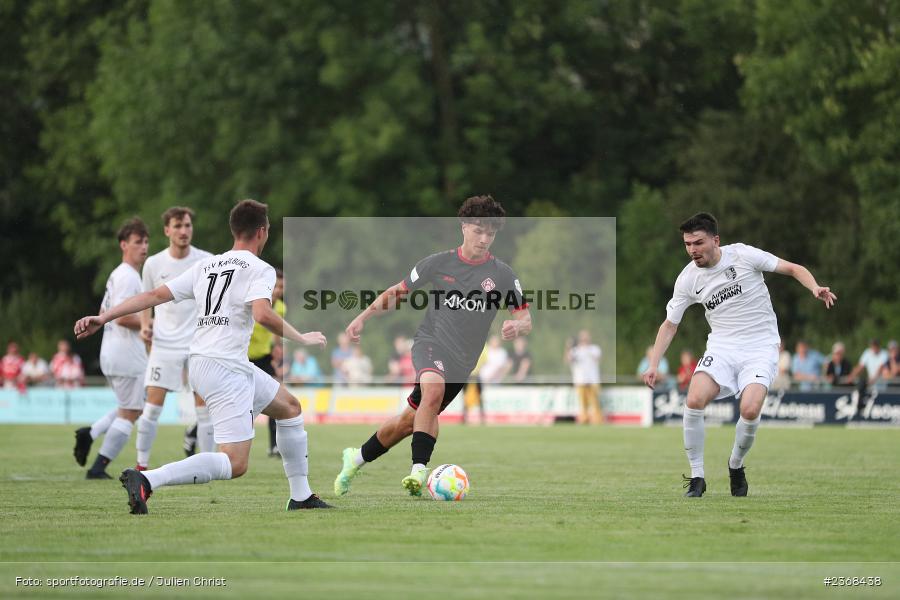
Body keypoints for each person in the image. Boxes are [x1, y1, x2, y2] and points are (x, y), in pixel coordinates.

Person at [74, 199, 332, 513]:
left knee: (289, 408)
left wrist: (104, 317)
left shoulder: (208, 265)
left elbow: (155, 295)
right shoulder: (259, 268)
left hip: (208, 362)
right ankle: (148, 480)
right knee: (235, 463)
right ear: (262, 232)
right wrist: (300, 337)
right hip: (225, 368)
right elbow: (263, 314)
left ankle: (301, 496)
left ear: (234, 230)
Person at [333, 195, 531, 497]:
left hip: (463, 362)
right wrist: (364, 317)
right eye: (478, 230)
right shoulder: (438, 264)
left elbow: (525, 317)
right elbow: (398, 292)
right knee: (433, 391)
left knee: (408, 422)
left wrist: (516, 325)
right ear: (463, 227)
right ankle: (419, 470)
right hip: (431, 343)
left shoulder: (502, 274)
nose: (484, 238)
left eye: (490, 233)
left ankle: (356, 457)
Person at [641, 212, 836, 498]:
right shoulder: (687, 279)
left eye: (698, 242)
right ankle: (697, 477)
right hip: (722, 347)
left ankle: (736, 464)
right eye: (687, 244)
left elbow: (793, 268)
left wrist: (815, 287)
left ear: (715, 240)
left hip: (761, 346)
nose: (692, 250)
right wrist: (654, 363)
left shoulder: (743, 255)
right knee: (694, 399)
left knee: (750, 408)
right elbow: (670, 324)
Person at [129, 207, 214, 471]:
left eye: (187, 225)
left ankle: (206, 464)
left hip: (197, 343)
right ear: (167, 230)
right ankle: (141, 464)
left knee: (204, 408)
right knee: (152, 408)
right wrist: (145, 326)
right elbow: (147, 299)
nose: (184, 231)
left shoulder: (206, 261)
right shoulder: (154, 263)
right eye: (177, 226)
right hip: (164, 344)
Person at [74, 218, 149, 479]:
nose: (144, 247)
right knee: (131, 412)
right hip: (126, 353)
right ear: (123, 245)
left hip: (113, 350)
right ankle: (98, 467)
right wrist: (153, 322)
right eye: (138, 242)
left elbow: (104, 313)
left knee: (129, 407)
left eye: (146, 241)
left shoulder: (119, 274)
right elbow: (122, 317)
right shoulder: (128, 276)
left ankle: (90, 433)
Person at [248, 267, 285, 456]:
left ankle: (274, 446)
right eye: (276, 286)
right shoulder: (256, 303)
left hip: (263, 357)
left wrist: (277, 354)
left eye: (281, 287)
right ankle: (196, 431)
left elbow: (276, 334)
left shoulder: (280, 308)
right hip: (244, 356)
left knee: (275, 398)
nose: (278, 290)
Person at [567, 330, 602, 424]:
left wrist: (585, 349)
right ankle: (584, 419)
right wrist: (569, 346)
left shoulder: (594, 348)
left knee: (594, 402)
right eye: (583, 337)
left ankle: (597, 421)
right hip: (580, 380)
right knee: (582, 403)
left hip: (593, 380)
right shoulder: (575, 350)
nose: (584, 339)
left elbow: (597, 357)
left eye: (586, 337)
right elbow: (568, 359)